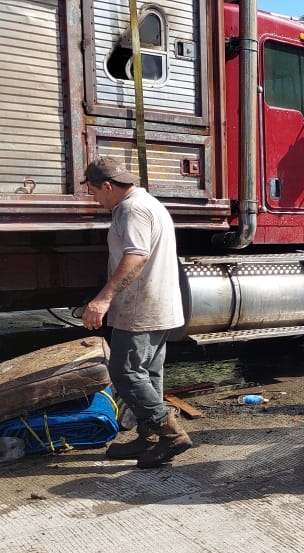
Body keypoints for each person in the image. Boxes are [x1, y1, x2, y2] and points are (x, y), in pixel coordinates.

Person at [80, 156, 190, 469]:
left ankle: (171, 435)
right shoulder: (149, 203)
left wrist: (103, 298)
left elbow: (136, 257)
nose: (96, 199)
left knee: (125, 372)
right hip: (157, 302)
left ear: (108, 186)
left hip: (141, 306)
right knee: (148, 373)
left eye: (94, 192)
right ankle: (150, 437)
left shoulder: (131, 209)